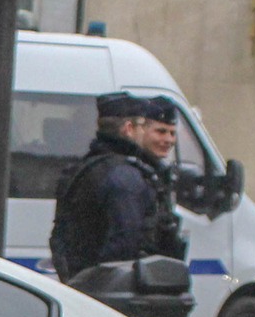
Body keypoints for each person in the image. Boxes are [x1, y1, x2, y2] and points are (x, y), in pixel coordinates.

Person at [49, 92, 186, 281]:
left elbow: (59, 238)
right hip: (111, 295)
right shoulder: (125, 177)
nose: (143, 131)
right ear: (129, 128)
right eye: (141, 125)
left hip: (81, 286)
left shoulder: (84, 168)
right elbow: (123, 249)